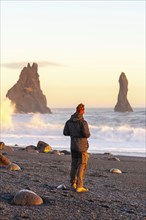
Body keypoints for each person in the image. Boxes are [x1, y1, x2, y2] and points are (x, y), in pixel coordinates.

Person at [63, 103, 90, 193]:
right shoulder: (83, 122)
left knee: (74, 165)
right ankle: (79, 186)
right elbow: (87, 134)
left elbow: (65, 133)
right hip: (82, 147)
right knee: (82, 165)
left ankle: (72, 183)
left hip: (73, 146)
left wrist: (74, 133)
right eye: (84, 110)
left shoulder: (69, 121)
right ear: (82, 110)